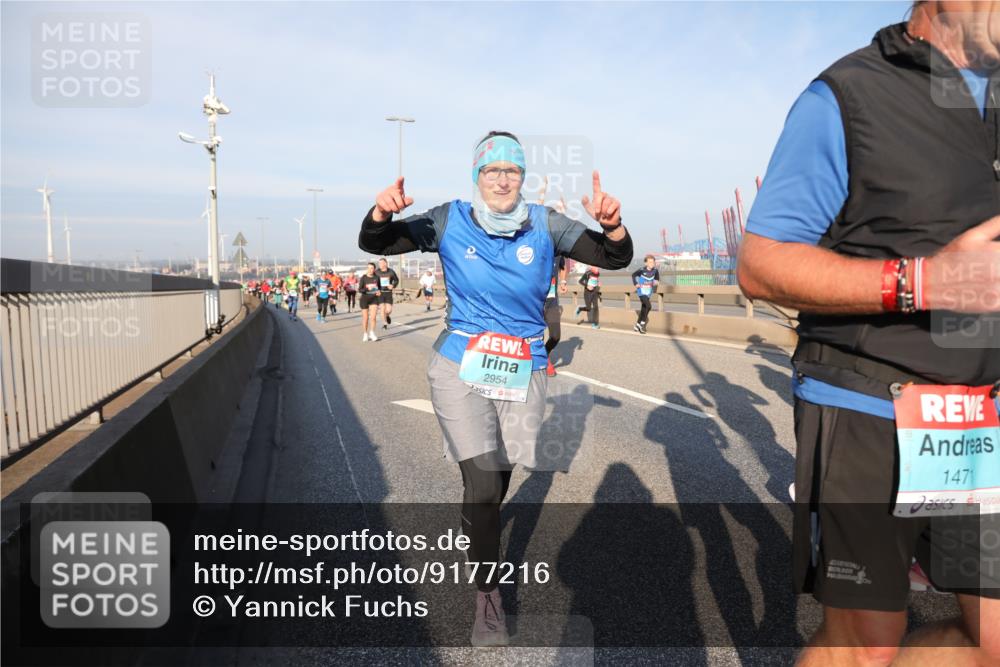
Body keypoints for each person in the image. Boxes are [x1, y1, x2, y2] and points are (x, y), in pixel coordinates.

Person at [738, 4, 1000, 665]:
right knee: (865, 649)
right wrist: (919, 284)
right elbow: (760, 263)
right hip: (867, 408)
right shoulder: (847, 95)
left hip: (978, 424)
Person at [358, 130, 632, 646]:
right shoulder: (450, 219)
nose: (502, 179)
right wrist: (381, 214)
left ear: (522, 178)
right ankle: (488, 597)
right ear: (477, 176)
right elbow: (376, 244)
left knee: (499, 476)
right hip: (462, 362)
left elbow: (613, 259)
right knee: (484, 484)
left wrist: (613, 227)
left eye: (512, 171)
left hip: (524, 365)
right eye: (492, 171)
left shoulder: (545, 224)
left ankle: (476, 518)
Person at [543, 255, 567, 376]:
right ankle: (543, 362)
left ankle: (544, 354)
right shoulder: (535, 246)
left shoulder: (558, 253)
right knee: (536, 336)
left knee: (555, 336)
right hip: (535, 302)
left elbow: (563, 267)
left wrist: (563, 282)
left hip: (552, 301)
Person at [631, 254, 660, 334]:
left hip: (648, 292)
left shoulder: (655, 271)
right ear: (646, 263)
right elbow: (633, 275)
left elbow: (657, 280)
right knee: (649, 306)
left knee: (644, 309)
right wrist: (636, 283)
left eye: (653, 262)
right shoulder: (641, 270)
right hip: (641, 292)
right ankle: (642, 326)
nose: (651, 264)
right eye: (650, 262)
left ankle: (637, 325)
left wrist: (656, 282)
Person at [357, 264, 381, 341]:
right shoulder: (363, 277)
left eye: (372, 268)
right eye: (369, 268)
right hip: (364, 299)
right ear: (367, 269)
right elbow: (360, 289)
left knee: (373, 317)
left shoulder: (377, 278)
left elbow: (379, 288)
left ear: (374, 269)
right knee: (366, 318)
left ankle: (372, 333)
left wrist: (379, 292)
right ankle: (365, 333)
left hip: (374, 299)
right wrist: (367, 289)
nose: (370, 270)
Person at [374, 257, 399, 329]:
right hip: (380, 293)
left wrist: (393, 285)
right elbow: (373, 281)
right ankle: (384, 323)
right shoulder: (376, 272)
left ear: (385, 263)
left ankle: (387, 315)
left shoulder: (391, 271)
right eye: (379, 263)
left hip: (388, 293)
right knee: (382, 308)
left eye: (381, 263)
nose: (380, 264)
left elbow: (396, 280)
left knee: (389, 310)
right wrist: (376, 289)